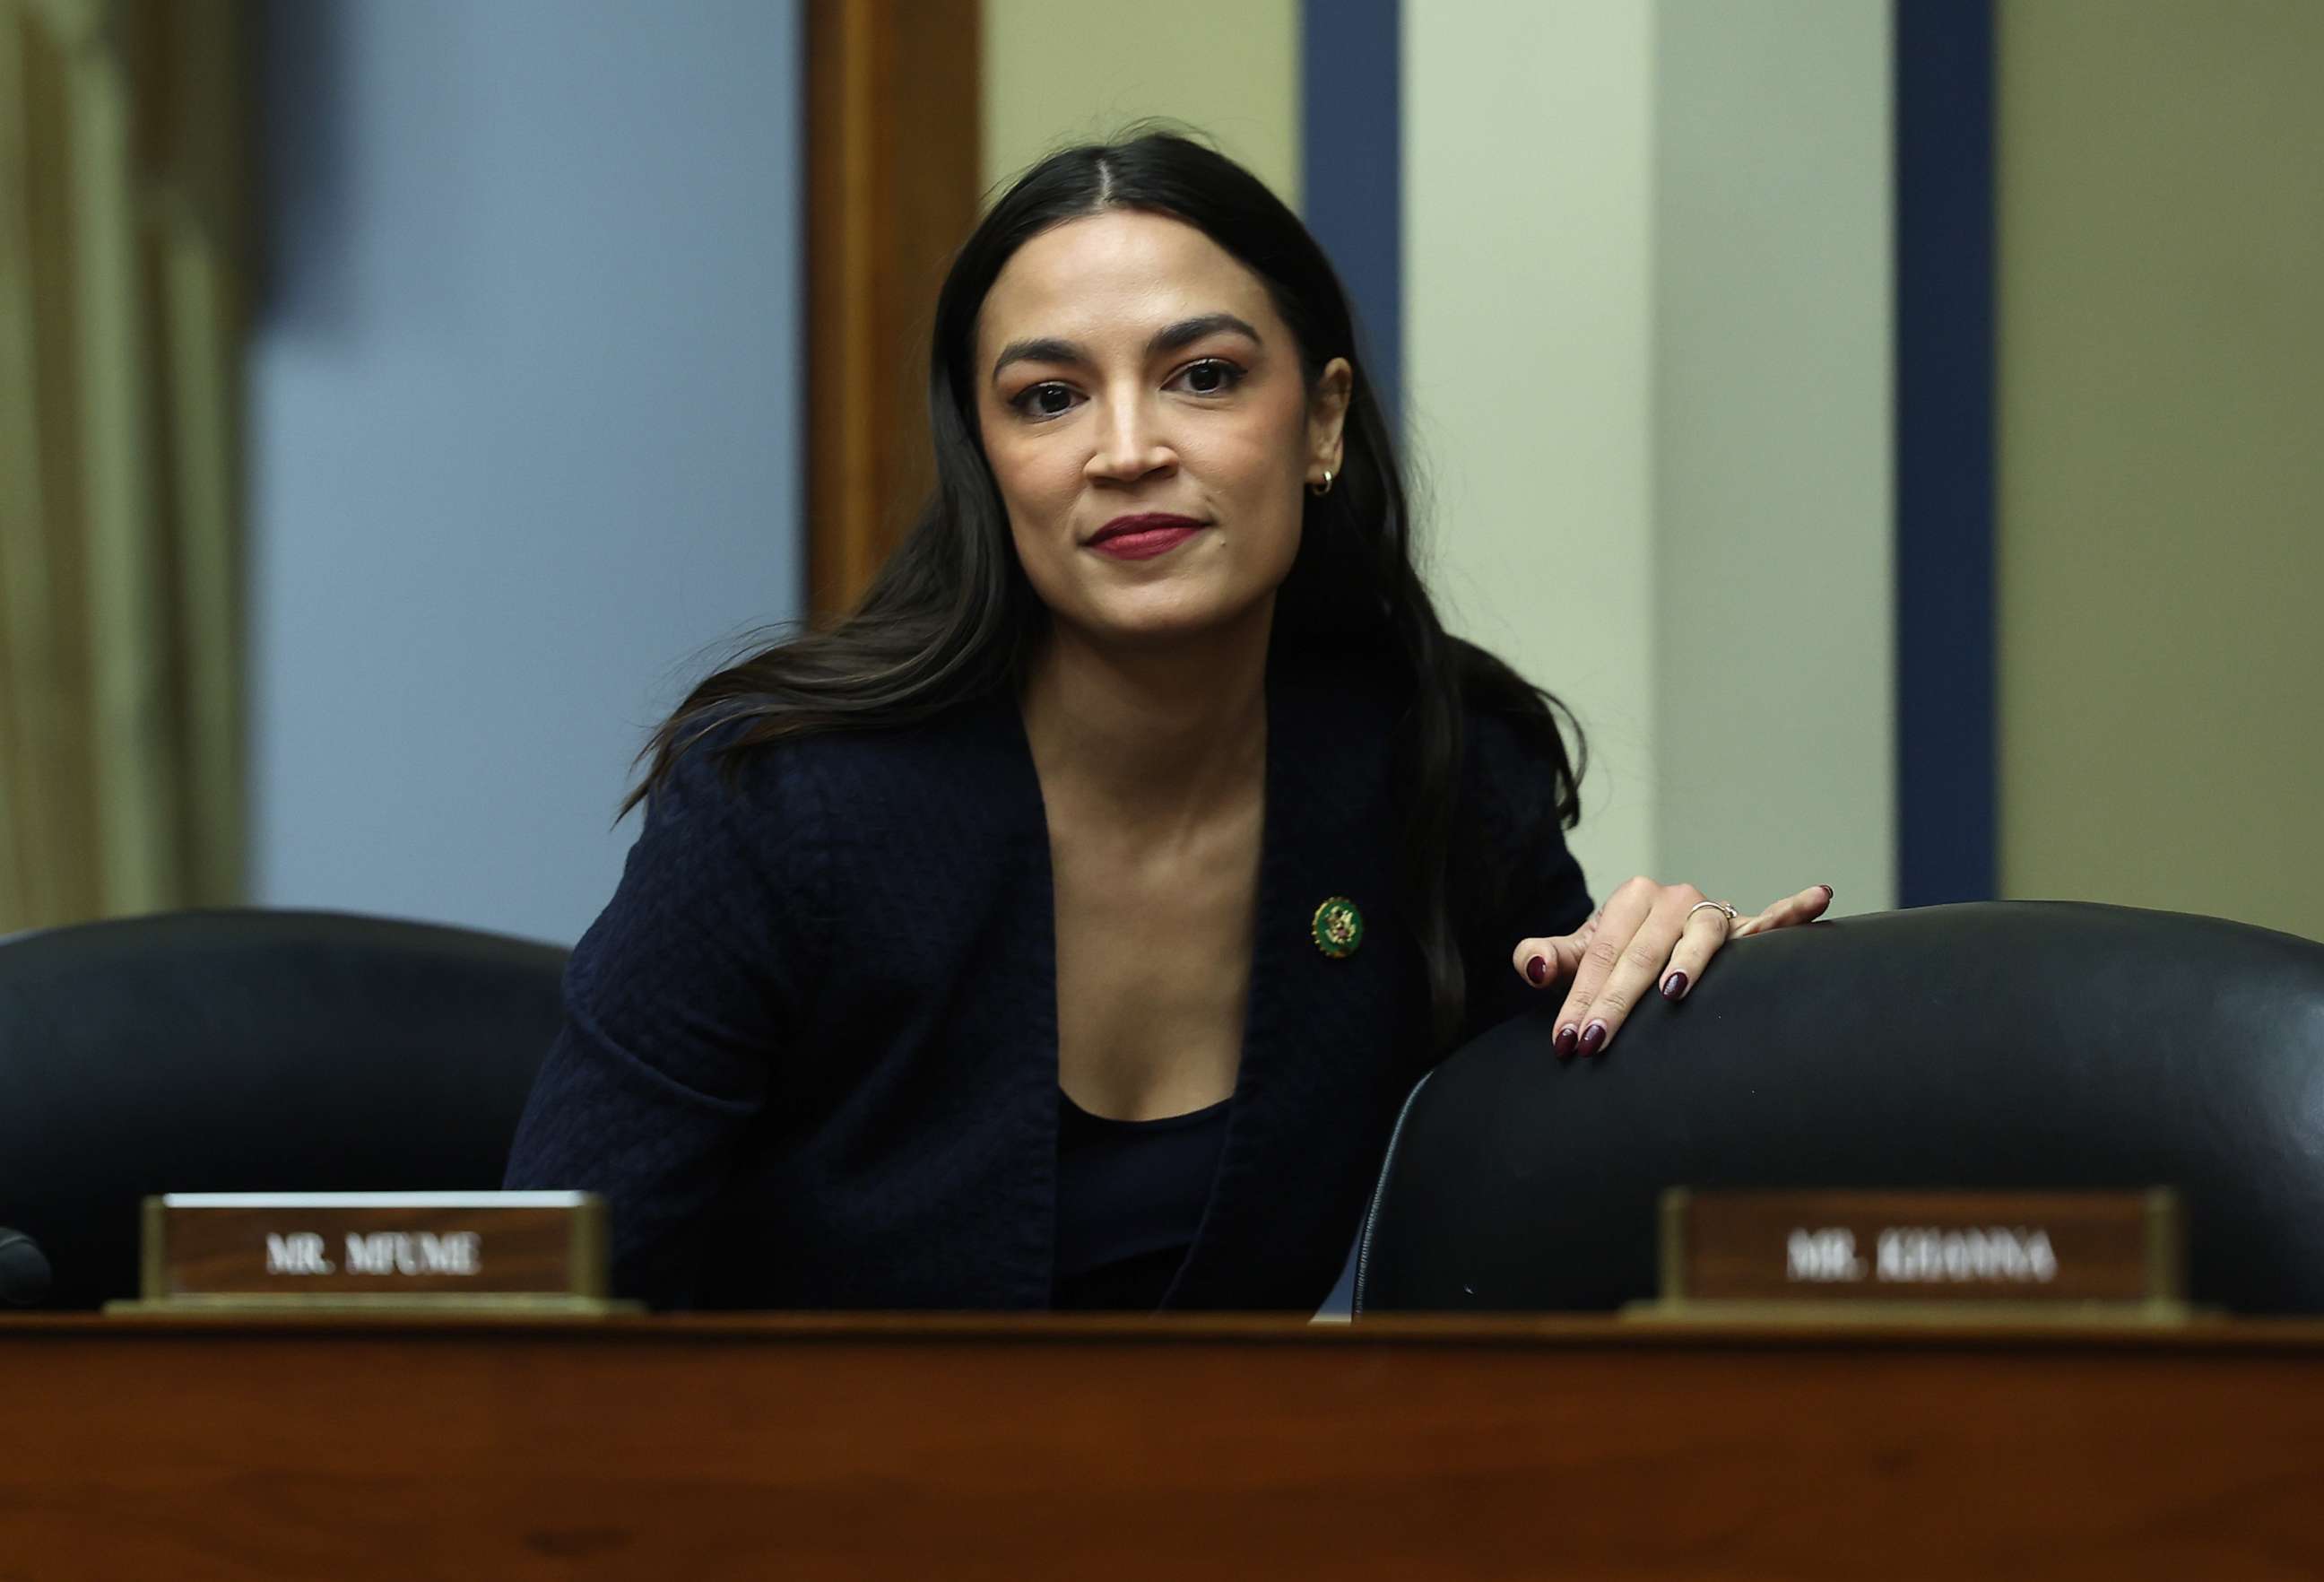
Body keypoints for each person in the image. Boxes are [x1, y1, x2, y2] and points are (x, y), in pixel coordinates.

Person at [502, 128, 1829, 1312]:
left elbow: (1548, 1223)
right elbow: (545, 1317)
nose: (1125, 447)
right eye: (1048, 397)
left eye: (1201, 376)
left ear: (1319, 422)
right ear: (985, 462)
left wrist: (1689, 1021)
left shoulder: (1435, 767)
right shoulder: (785, 808)